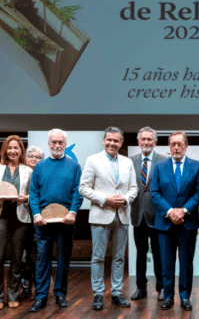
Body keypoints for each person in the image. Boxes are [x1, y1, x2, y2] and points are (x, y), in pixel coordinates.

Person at [80, 127, 138, 310]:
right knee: (98, 257)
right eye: (109, 140)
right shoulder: (92, 160)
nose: (112, 143)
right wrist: (105, 199)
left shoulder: (127, 162)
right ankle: (98, 294)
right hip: (100, 215)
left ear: (121, 143)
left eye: (116, 140)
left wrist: (126, 199)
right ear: (104, 140)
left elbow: (134, 188)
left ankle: (116, 293)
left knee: (119, 257)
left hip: (121, 216)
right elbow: (83, 188)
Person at [28, 129, 83, 312]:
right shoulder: (40, 166)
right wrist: (36, 214)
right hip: (43, 223)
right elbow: (33, 193)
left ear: (65, 145)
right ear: (49, 144)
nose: (57, 145)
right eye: (54, 142)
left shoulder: (74, 166)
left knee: (63, 258)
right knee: (42, 259)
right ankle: (41, 296)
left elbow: (77, 192)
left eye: (60, 142)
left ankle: (60, 293)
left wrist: (73, 211)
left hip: (66, 221)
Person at [150, 131, 199, 311]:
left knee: (186, 262)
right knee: (166, 262)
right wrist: (171, 211)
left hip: (187, 222)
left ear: (186, 146)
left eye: (180, 144)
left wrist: (184, 211)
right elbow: (155, 193)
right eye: (173, 144)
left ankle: (185, 297)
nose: (176, 147)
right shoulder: (159, 166)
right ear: (169, 146)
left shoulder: (197, 166)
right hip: (165, 222)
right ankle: (168, 296)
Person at [0, 135, 33, 310]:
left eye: (16, 148)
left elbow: (32, 194)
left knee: (16, 258)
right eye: (10, 147)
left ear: (21, 151)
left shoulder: (28, 170)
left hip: (20, 216)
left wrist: (25, 199)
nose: (13, 151)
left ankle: (13, 293)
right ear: (5, 150)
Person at [130, 127, 168, 302]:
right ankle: (141, 287)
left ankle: (161, 287)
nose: (146, 142)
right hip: (138, 215)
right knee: (140, 254)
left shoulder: (164, 161)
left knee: (159, 254)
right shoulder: (130, 162)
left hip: (158, 215)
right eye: (143, 139)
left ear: (155, 142)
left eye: (149, 139)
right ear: (139, 142)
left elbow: (166, 189)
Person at [19, 145, 44, 300]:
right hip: (22, 218)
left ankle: (40, 287)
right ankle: (25, 287)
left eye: (37, 157)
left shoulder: (43, 173)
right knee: (24, 255)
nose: (33, 159)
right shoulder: (20, 173)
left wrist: (28, 198)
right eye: (30, 156)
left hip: (39, 219)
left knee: (38, 254)